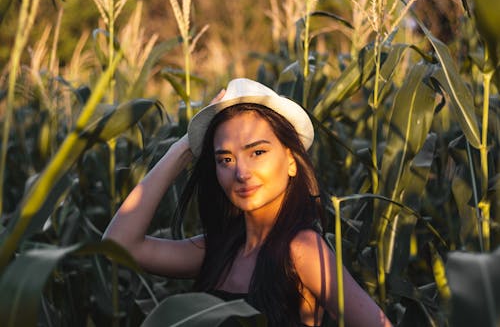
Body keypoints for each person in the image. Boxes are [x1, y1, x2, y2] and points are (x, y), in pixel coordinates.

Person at [103, 78, 392, 327]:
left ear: (292, 160)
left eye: (257, 153)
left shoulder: (301, 250)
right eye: (225, 159)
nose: (241, 172)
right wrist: (184, 147)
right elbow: (118, 245)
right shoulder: (219, 249)